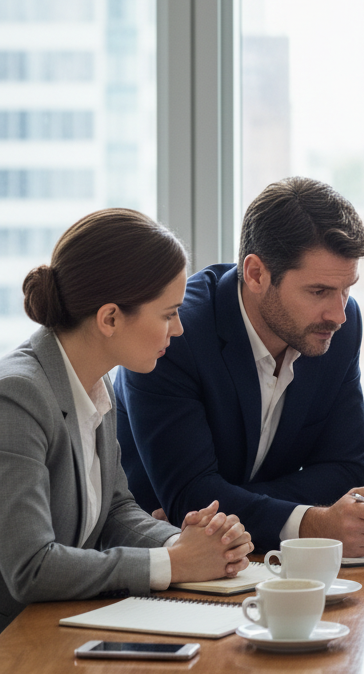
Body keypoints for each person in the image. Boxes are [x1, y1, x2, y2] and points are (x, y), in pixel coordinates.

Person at [115, 178, 364, 553]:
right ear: (255, 274)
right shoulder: (174, 335)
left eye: (347, 288)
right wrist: (311, 520)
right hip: (160, 563)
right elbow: (189, 494)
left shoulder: (337, 327)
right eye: (318, 291)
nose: (339, 313)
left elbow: (346, 469)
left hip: (262, 560)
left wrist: (227, 499)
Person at [0, 209, 252, 632]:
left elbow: (116, 510)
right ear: (111, 318)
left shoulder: (98, 385)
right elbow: (32, 567)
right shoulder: (18, 397)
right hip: (17, 652)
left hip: (61, 632)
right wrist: (171, 563)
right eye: (169, 314)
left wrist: (183, 543)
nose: (179, 330)